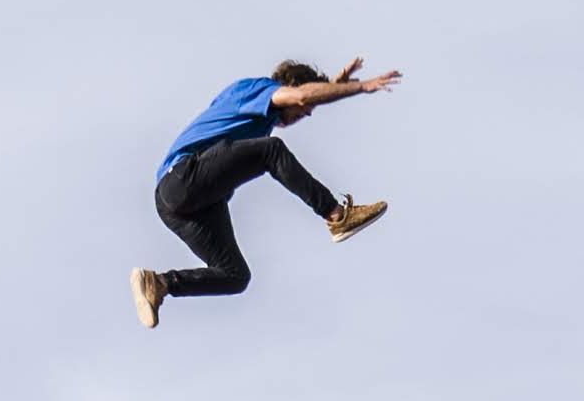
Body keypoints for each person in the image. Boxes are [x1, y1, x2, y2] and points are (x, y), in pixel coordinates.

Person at [132, 59, 399, 327]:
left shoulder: (260, 113)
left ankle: (160, 283)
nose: (305, 114)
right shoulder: (256, 89)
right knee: (272, 151)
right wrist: (362, 87)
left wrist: (332, 85)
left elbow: (305, 96)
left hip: (184, 206)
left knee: (235, 275)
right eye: (305, 109)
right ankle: (337, 215)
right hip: (181, 178)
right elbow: (302, 95)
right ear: (290, 87)